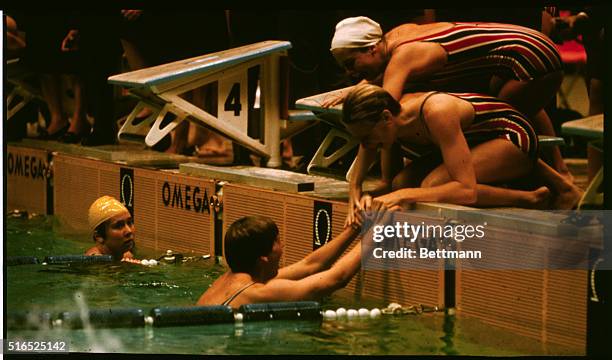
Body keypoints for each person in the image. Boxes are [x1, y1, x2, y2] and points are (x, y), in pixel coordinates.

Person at [324, 16, 572, 180]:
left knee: (504, 118)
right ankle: (560, 169)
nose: (350, 73)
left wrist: (364, 181)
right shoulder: (396, 36)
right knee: (517, 106)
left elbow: (382, 111)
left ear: (371, 49)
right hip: (531, 44)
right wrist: (351, 89)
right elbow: (379, 77)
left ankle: (555, 179)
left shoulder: (403, 57)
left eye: (351, 64)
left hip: (532, 56)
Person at [341, 84, 582, 224]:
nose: (366, 145)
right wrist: (358, 196)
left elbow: (466, 190)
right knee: (399, 182)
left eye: (366, 137)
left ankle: (529, 198)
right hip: (480, 140)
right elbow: (369, 174)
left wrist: (405, 196)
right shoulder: (388, 123)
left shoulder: (436, 112)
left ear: (385, 117)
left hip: (513, 136)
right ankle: (536, 192)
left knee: (431, 185)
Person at [197, 199, 389, 308]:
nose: (283, 246)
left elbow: (310, 265)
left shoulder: (234, 278)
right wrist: (379, 230)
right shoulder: (257, 293)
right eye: (278, 242)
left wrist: (357, 227)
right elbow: (336, 279)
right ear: (263, 257)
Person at [85, 196, 135, 260]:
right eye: (118, 226)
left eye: (129, 222)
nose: (129, 231)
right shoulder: (94, 263)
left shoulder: (126, 255)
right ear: (99, 236)